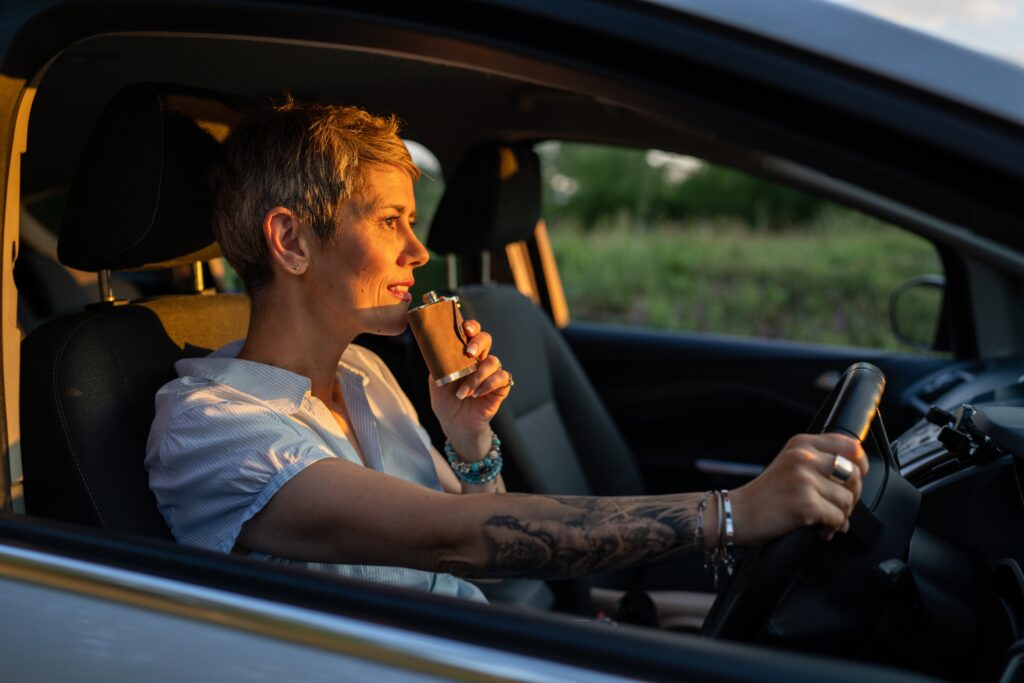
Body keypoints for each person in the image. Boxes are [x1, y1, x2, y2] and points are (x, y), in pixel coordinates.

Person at [145, 100, 867, 604]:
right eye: (392, 220)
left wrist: (471, 439)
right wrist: (733, 512)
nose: (418, 249)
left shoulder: (363, 372)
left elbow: (477, 546)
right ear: (292, 241)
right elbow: (461, 541)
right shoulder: (210, 428)